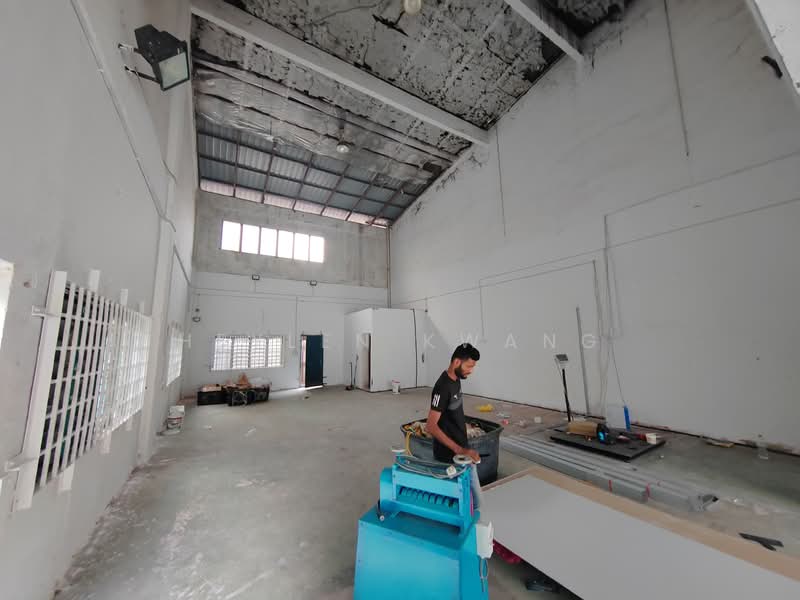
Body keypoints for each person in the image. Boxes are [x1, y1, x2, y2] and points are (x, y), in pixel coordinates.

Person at [426, 343, 481, 464]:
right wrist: (459, 450)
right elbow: (430, 426)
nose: (471, 371)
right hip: (448, 456)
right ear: (456, 362)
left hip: (460, 450)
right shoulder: (442, 387)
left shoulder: (456, 379)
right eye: (468, 366)